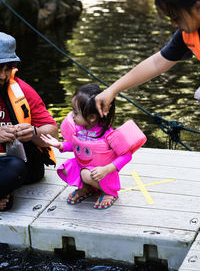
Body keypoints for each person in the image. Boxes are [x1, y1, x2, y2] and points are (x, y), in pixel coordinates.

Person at [95, 0, 200, 118]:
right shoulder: (188, 33)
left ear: (197, 7)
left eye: (176, 17)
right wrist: (112, 90)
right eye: (170, 18)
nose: (174, 24)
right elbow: (156, 63)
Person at [41, 84, 146, 210]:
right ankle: (86, 188)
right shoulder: (79, 129)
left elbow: (126, 156)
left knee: (85, 174)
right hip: (83, 166)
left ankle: (108, 192)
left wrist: (106, 169)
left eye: (76, 112)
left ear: (91, 117)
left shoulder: (108, 135)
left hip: (103, 173)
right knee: (65, 168)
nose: (72, 116)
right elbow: (77, 146)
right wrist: (60, 145)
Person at [0, 32, 58, 211]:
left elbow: (53, 133)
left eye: (7, 68)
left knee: (19, 169)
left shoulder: (23, 90)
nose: (2, 76)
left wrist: (33, 132)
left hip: (9, 163)